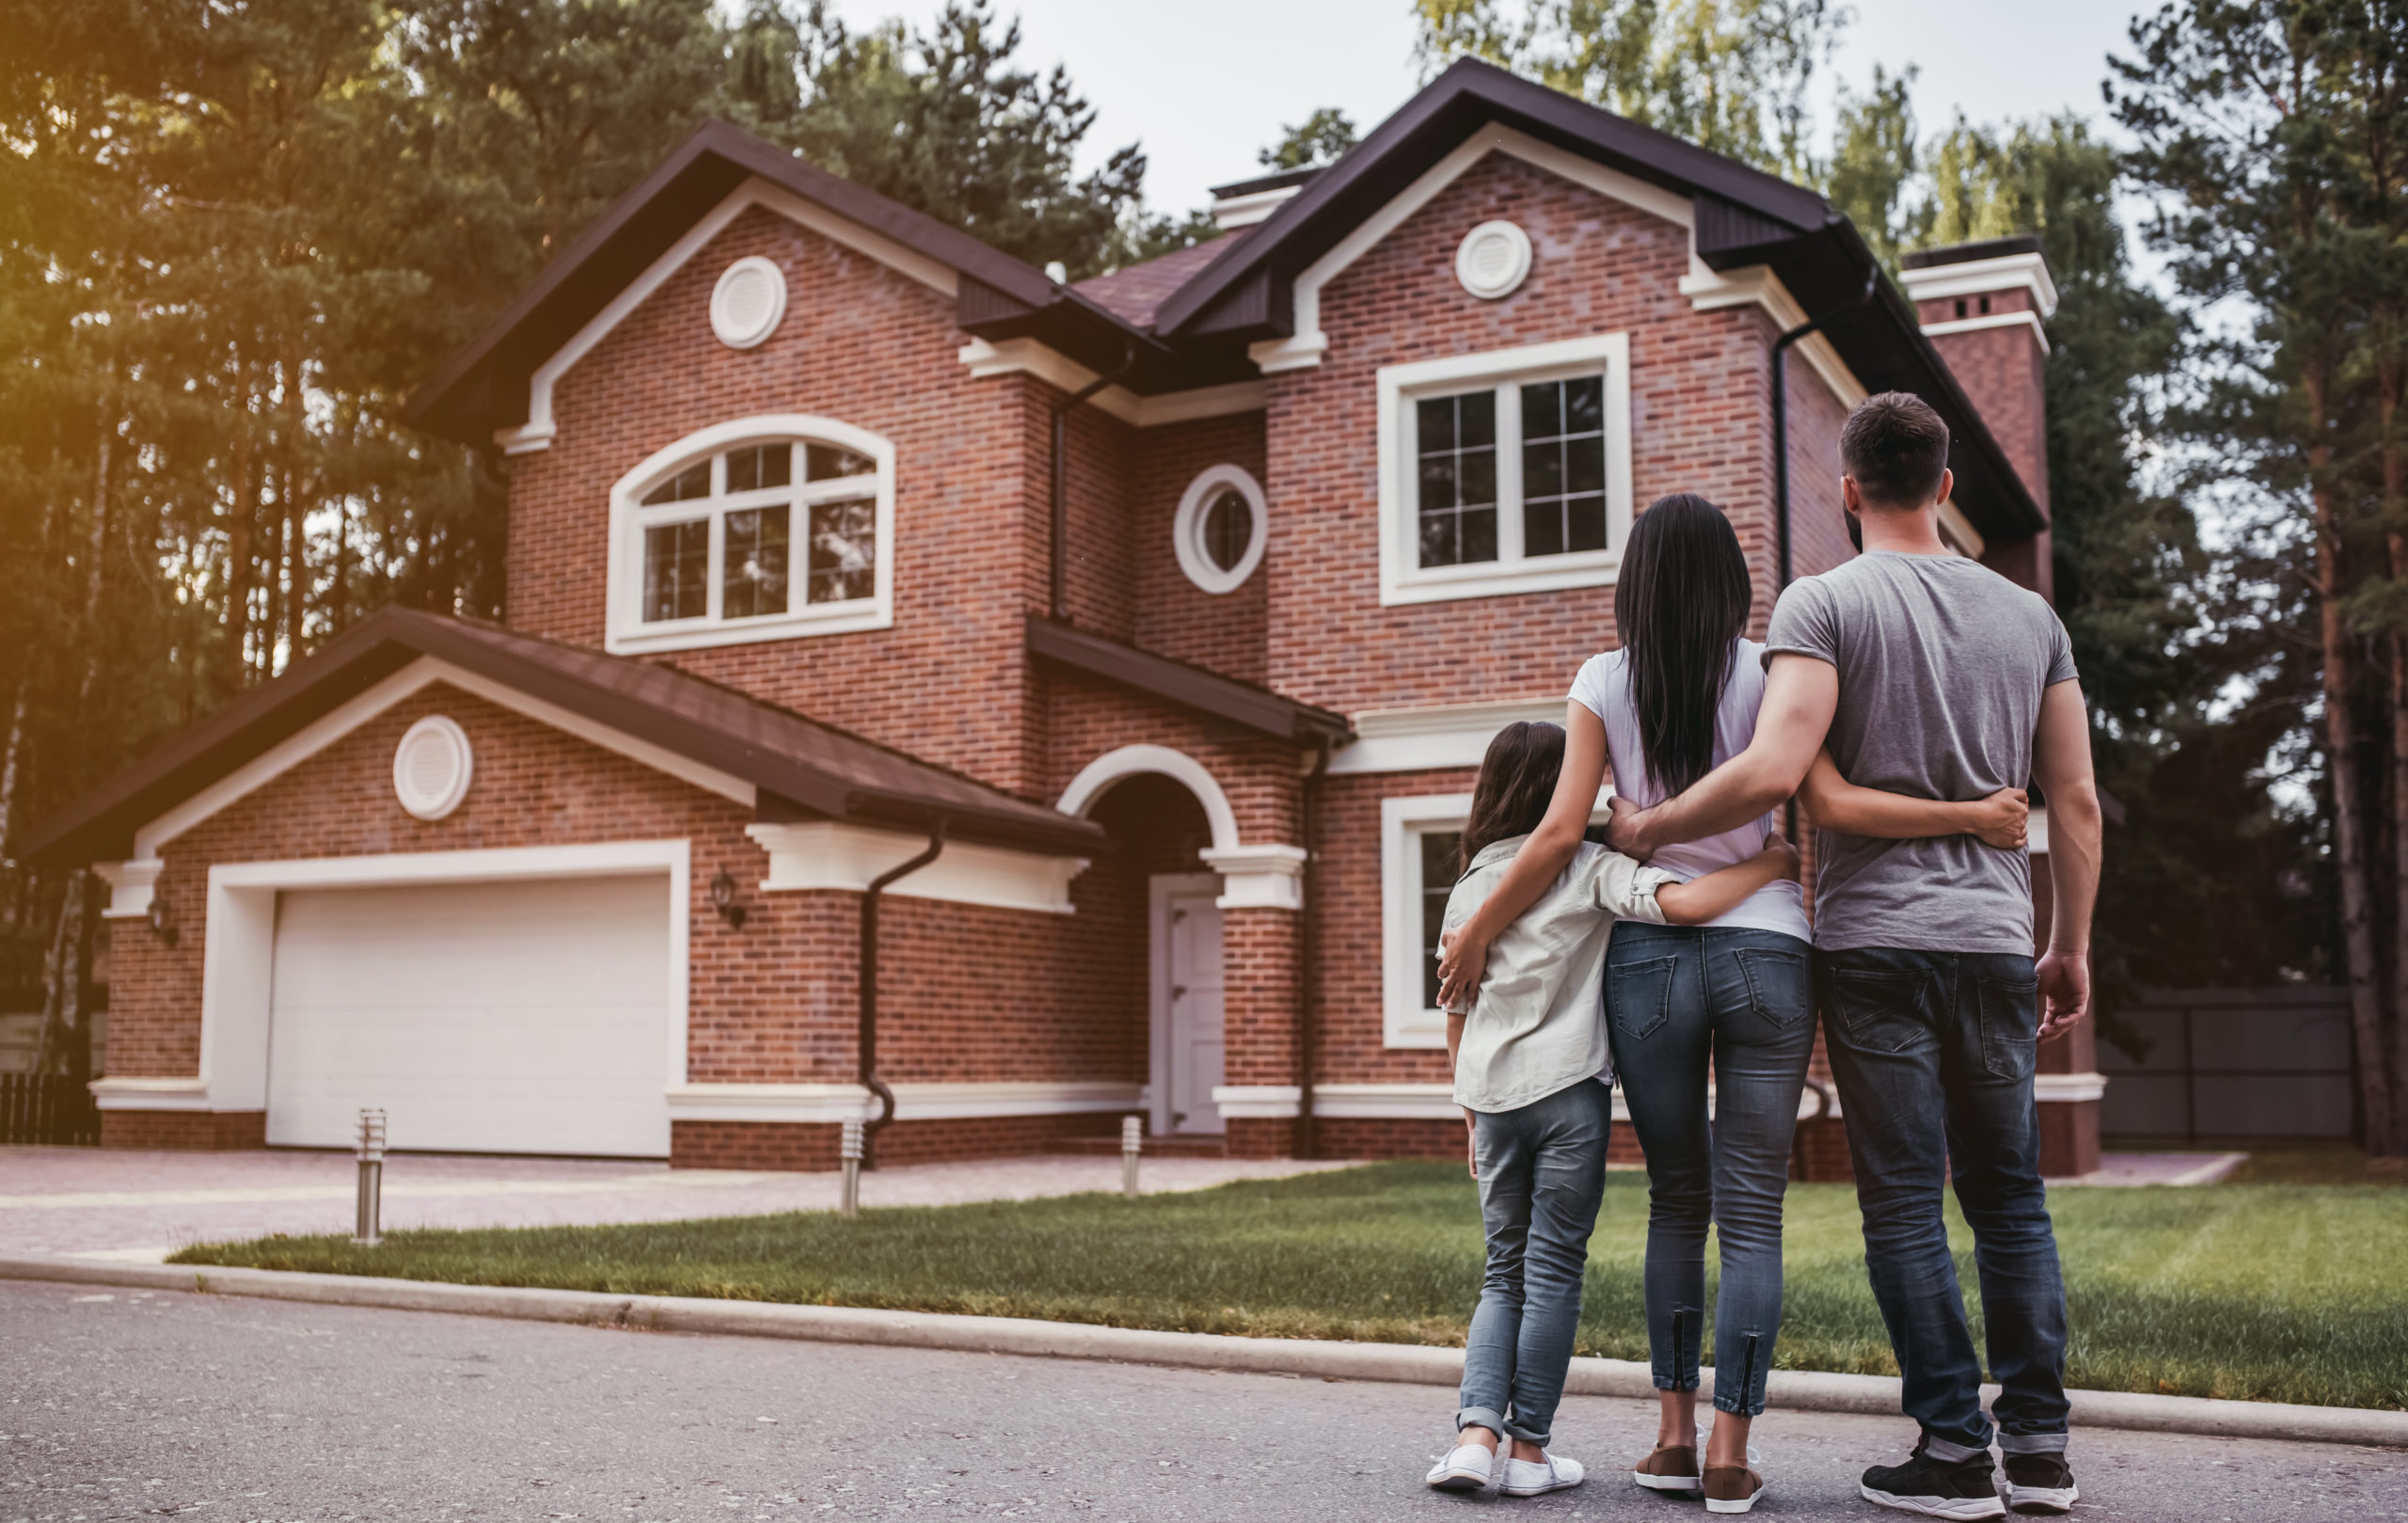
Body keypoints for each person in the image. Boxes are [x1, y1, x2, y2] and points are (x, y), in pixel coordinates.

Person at [1436, 495, 2028, 1515]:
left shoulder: (1599, 679)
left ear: (1632, 582)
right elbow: (1817, 788)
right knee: (1752, 1211)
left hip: (1650, 959)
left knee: (1677, 1196)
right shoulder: (1774, 670)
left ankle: (1667, 1436)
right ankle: (1727, 1450)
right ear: (1732, 584)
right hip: (1766, 947)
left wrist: (1482, 925)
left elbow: (1554, 836)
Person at [1604, 395, 2103, 1520]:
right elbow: (2072, 795)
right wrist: (2066, 940)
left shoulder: (1822, 604)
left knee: (1904, 1205)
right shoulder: (2031, 618)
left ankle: (1951, 1450)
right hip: (1989, 942)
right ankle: (2038, 1447)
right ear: (1946, 485)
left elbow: (1779, 769)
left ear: (1844, 490)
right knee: (2011, 1197)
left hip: (1874, 943)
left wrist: (1650, 824)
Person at [1424, 718, 1800, 1500]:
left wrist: (1468, 1114)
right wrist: (1771, 861)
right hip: (1568, 1099)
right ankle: (1528, 1451)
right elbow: (1689, 903)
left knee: (1504, 1271)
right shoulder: (1592, 867)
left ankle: (1472, 1437)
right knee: (1554, 1269)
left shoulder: (1467, 887)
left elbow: (1454, 1010)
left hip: (1490, 1103)